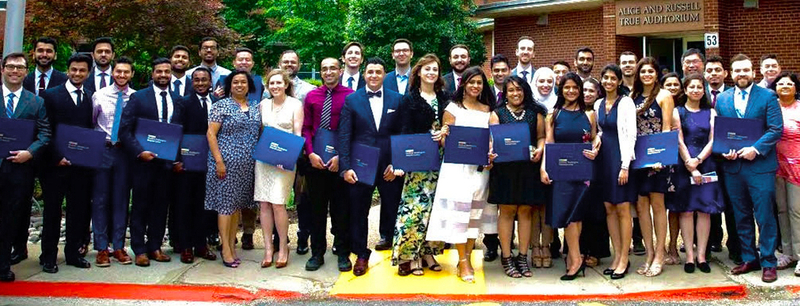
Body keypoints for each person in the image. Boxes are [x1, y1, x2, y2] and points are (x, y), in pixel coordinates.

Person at [427, 66, 497, 283]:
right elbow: (447, 142)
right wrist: (443, 136)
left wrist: (491, 155)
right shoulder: (452, 108)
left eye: (479, 82)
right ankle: (464, 261)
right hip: (457, 170)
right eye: (471, 82)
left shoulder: (489, 110)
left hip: (480, 171)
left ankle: (464, 258)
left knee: (474, 215)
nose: (475, 86)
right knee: (460, 215)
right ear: (463, 85)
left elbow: (494, 141)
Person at [716, 53, 782, 283]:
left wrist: (756, 148)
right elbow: (721, 131)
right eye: (737, 71)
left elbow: (775, 129)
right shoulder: (722, 99)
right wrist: (723, 149)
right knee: (740, 215)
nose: (741, 74)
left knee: (764, 217)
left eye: (745, 70)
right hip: (733, 167)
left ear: (753, 72)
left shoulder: (768, 96)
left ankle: (768, 262)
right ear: (731, 74)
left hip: (760, 166)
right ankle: (748, 257)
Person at [338, 57, 404, 276]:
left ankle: (400, 255)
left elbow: (402, 134)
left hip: (389, 166)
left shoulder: (397, 100)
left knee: (394, 209)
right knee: (358, 212)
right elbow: (345, 135)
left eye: (378, 72)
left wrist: (397, 163)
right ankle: (361, 254)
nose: (374, 75)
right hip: (361, 166)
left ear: (385, 75)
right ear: (364, 74)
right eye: (370, 72)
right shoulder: (352, 100)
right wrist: (345, 167)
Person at [119, 58, 185, 267]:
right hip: (143, 163)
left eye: (167, 72)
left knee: (160, 206)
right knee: (140, 206)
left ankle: (155, 246)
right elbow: (124, 130)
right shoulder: (138, 98)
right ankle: (139, 249)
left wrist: (178, 159)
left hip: (167, 164)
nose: (163, 75)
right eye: (159, 72)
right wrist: (140, 152)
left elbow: (180, 132)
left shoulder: (178, 100)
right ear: (152, 74)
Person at [391, 54, 447, 276]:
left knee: (434, 209)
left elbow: (453, 124)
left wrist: (445, 131)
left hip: (442, 160)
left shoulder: (445, 98)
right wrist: (402, 161)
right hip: (419, 161)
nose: (431, 73)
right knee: (415, 208)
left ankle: (427, 253)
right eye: (427, 69)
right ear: (419, 72)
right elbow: (404, 131)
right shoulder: (410, 99)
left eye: (435, 69)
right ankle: (410, 256)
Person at [39, 54, 96, 273]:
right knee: (52, 212)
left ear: (88, 73)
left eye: (82, 71)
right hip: (55, 165)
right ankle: (48, 257)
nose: (77, 74)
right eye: (74, 70)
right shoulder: (51, 96)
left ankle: (72, 254)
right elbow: (45, 129)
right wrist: (57, 156)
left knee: (78, 211)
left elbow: (89, 132)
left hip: (81, 166)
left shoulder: (90, 97)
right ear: (67, 70)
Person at [541, 72, 599, 280]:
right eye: (567, 87)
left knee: (576, 216)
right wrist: (543, 168)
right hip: (561, 172)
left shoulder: (590, 114)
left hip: (583, 173)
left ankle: (575, 258)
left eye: (576, 87)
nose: (572, 91)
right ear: (561, 89)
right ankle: (575, 256)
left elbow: (594, 139)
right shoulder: (553, 114)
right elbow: (549, 143)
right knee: (565, 216)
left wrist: (595, 149)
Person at [0, 52, 51, 282]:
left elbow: (45, 133)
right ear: (2, 69)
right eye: (10, 66)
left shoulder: (36, 101)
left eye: (19, 67)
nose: (14, 71)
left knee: (10, 218)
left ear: (25, 71)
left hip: (20, 170)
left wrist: (29, 152)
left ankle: (3, 266)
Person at [490, 75, 546, 278]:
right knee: (506, 211)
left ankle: (522, 257)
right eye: (511, 90)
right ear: (505, 93)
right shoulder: (497, 114)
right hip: (505, 170)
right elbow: (493, 140)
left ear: (525, 91)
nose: (516, 93)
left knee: (525, 211)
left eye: (519, 89)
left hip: (528, 168)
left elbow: (541, 137)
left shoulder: (535, 113)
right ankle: (506, 256)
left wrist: (540, 150)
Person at [204, 70, 261, 268]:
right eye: (235, 82)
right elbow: (211, 135)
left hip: (247, 166)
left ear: (249, 85)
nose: (239, 85)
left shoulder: (255, 107)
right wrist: (219, 161)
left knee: (237, 207)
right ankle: (225, 248)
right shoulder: (221, 106)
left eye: (243, 82)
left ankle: (231, 245)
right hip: (225, 166)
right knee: (226, 207)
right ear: (229, 86)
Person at [302, 58, 354, 272]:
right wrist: (311, 153)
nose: (329, 72)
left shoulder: (351, 97)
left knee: (341, 210)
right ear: (321, 73)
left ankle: (342, 252)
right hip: (316, 164)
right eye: (324, 69)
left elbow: (354, 130)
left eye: (333, 68)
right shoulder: (312, 96)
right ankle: (317, 253)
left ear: (340, 71)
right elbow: (306, 128)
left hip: (339, 163)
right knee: (316, 210)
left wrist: (342, 157)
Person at [672, 73, 724, 274]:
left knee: (704, 210)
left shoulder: (711, 112)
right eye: (691, 87)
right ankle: (690, 258)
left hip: (706, 162)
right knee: (686, 210)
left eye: (699, 87)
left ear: (704, 91)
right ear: (685, 90)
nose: (695, 90)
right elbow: (679, 140)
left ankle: (702, 255)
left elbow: (713, 139)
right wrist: (690, 165)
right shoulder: (678, 112)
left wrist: (699, 161)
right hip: (684, 164)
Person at [254, 69, 303, 269]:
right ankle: (268, 248)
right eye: (271, 83)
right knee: (264, 204)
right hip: (264, 161)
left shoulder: (295, 104)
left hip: (285, 162)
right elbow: (259, 132)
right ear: (268, 86)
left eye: (278, 83)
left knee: (278, 204)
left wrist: (288, 157)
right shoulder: (263, 105)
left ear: (286, 84)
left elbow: (298, 134)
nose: (275, 86)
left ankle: (283, 247)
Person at [630, 57, 675, 277]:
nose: (646, 74)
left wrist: (663, 156)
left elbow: (667, 128)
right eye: (643, 71)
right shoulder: (633, 97)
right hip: (638, 158)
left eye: (650, 71)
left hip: (658, 160)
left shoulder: (664, 96)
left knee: (658, 205)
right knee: (640, 207)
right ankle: (648, 252)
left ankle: (660, 253)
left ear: (657, 74)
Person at [90, 56, 136, 267]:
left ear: (131, 74)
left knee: (121, 200)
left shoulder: (136, 98)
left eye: (126, 72)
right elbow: (91, 123)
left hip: (125, 154)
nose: (122, 75)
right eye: (118, 71)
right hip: (103, 150)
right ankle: (101, 248)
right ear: (112, 72)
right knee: (100, 200)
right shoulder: (99, 95)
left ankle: (118, 246)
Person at [171, 67, 218, 263]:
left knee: (204, 206)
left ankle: (201, 244)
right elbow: (176, 130)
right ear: (192, 82)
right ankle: (185, 246)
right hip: (187, 163)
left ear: (210, 82)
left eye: (204, 80)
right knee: (184, 205)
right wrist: (177, 159)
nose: (200, 83)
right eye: (196, 80)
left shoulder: (217, 103)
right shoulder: (183, 102)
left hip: (209, 163)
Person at [595, 64, 637, 280]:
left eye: (613, 78)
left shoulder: (626, 102)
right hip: (603, 161)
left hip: (620, 160)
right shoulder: (598, 103)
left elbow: (631, 134)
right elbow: (601, 131)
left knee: (622, 209)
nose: (609, 81)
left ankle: (624, 258)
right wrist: (596, 140)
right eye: (605, 78)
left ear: (619, 81)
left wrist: (625, 166)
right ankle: (616, 255)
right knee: (609, 208)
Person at [221, 47, 265, 251]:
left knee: (249, 195)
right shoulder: (224, 82)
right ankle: (229, 237)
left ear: (252, 63)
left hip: (253, 147)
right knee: (230, 197)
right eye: (241, 59)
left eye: (248, 59)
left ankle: (248, 232)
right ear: (234, 62)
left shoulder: (260, 84)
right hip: (229, 152)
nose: (244, 62)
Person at [277, 49, 316, 254]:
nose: (289, 64)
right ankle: (278, 238)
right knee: (277, 197)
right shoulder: (270, 89)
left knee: (303, 198)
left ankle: (303, 236)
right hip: (275, 154)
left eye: (293, 61)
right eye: (286, 61)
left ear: (299, 65)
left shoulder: (308, 90)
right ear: (280, 63)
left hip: (300, 155)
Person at [705, 55, 740, 263]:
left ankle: (735, 246)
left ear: (725, 73)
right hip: (708, 159)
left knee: (732, 203)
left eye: (717, 70)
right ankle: (712, 241)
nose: (713, 74)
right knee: (708, 201)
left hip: (731, 158)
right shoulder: (699, 95)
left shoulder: (733, 95)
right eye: (709, 71)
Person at [579, 77, 611, 268]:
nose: (587, 94)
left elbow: (605, 131)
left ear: (598, 93)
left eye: (591, 90)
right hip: (577, 164)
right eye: (584, 90)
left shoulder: (601, 110)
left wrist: (598, 137)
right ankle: (578, 250)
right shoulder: (573, 111)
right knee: (579, 209)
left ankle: (596, 251)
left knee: (596, 211)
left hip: (598, 163)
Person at [770, 71, 800, 273]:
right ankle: (787, 252)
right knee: (781, 210)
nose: (784, 86)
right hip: (775, 166)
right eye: (780, 84)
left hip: (797, 165)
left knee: (796, 211)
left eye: (789, 83)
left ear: (796, 88)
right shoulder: (772, 108)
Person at [483, 53, 511, 261]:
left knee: (509, 202)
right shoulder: (486, 95)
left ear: (509, 71)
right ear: (491, 73)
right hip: (490, 154)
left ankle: (509, 242)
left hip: (512, 153)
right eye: (496, 70)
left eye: (503, 69)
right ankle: (491, 244)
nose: (500, 73)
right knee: (490, 202)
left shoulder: (516, 92)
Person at [660, 72, 684, 266]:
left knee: (677, 208)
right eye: (668, 84)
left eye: (676, 84)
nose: (673, 87)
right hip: (660, 161)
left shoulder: (685, 108)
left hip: (680, 162)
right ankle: (664, 248)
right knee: (661, 207)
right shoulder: (657, 104)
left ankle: (675, 245)